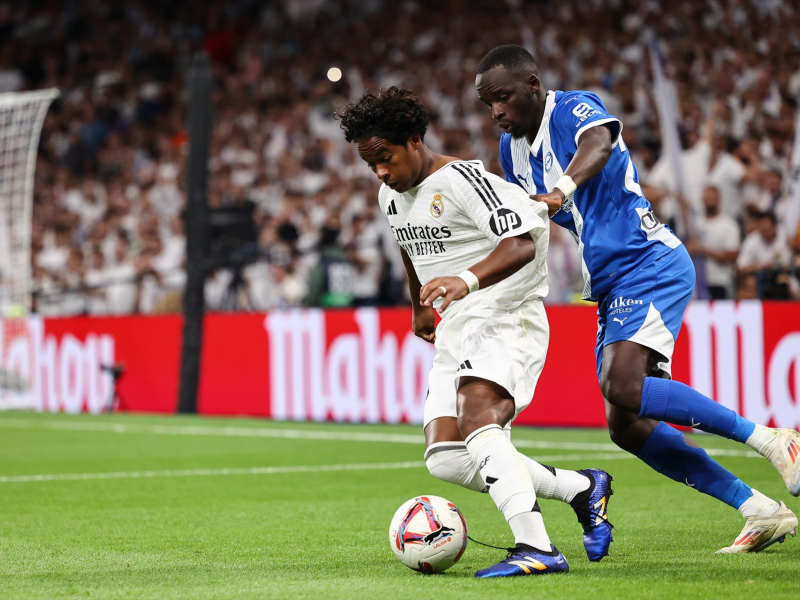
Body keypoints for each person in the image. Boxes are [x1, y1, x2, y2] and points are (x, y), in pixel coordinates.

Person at [476, 44, 799, 553]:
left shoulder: (572, 108)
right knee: (625, 424)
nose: (496, 112)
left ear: (532, 86)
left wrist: (561, 188)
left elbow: (600, 142)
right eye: (487, 104)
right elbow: (531, 222)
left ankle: (774, 440)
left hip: (648, 261)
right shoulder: (510, 150)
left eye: (502, 98)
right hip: (610, 282)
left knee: (622, 384)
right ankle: (758, 509)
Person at [335, 87, 614, 577]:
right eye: (369, 163)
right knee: (444, 456)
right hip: (458, 325)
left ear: (415, 140)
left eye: (385, 158)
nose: (380, 171)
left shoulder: (463, 179)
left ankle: (538, 548)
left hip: (506, 313)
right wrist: (417, 302)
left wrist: (462, 280)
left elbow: (522, 244)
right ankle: (581, 488)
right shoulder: (391, 196)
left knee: (479, 417)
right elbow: (409, 243)